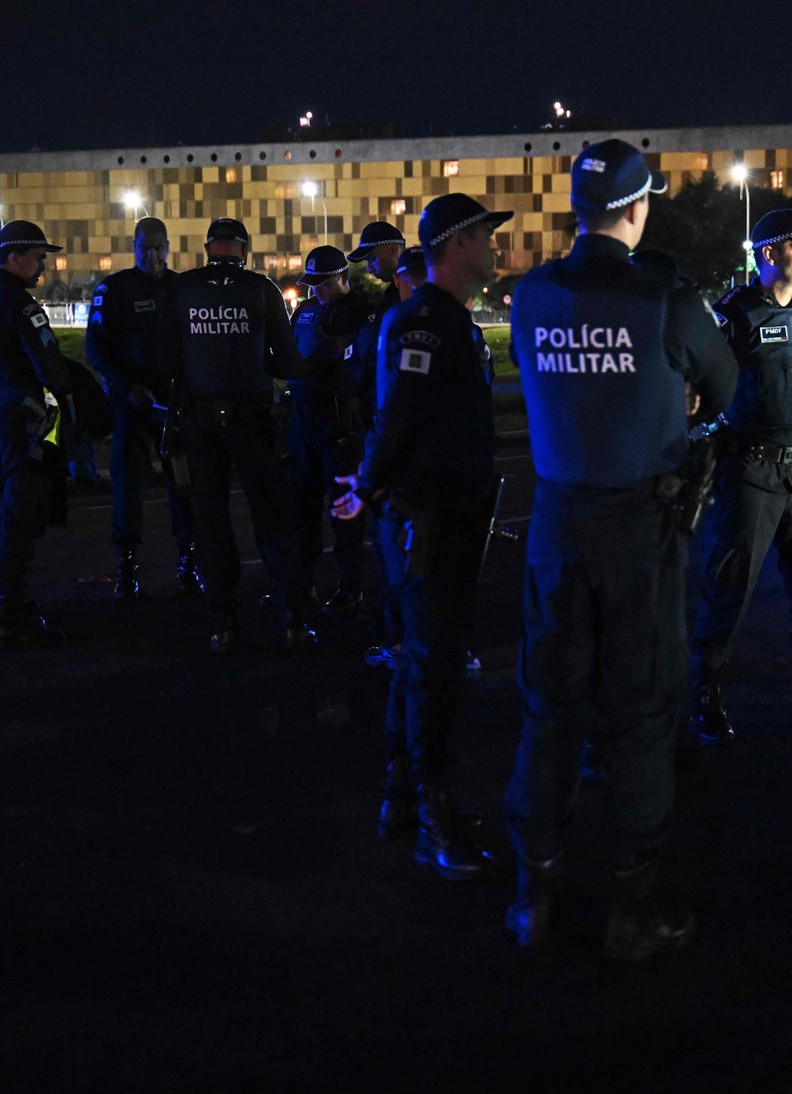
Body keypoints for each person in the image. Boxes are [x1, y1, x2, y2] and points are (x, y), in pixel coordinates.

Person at [503, 139, 736, 959]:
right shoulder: (665, 298)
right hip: (641, 530)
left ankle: (533, 894)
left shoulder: (533, 294)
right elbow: (729, 383)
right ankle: (632, 906)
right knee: (640, 714)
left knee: (549, 707)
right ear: (640, 208)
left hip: (557, 526)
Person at [332, 194, 508, 877]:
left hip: (445, 515)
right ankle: (434, 814)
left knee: (423, 664)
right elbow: (399, 413)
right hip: (428, 520)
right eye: (488, 238)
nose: (496, 250)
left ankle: (403, 800)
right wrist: (371, 487)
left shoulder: (448, 321)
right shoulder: (425, 323)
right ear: (458, 244)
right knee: (433, 668)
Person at [689, 209, 792, 742]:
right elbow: (701, 387)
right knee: (728, 589)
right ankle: (703, 693)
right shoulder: (735, 315)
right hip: (751, 470)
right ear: (770, 253)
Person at [157, 217, 314, 653]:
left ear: (209, 248)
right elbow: (287, 362)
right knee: (271, 516)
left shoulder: (183, 289)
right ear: (243, 249)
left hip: (201, 422)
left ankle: (224, 624)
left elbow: (166, 360)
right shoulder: (262, 289)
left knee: (211, 520)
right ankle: (293, 619)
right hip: (252, 419)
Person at [0, 221, 82, 647]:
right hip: (24, 422)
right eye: (37, 257)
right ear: (14, 257)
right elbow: (53, 371)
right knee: (21, 518)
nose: (42, 266)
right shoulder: (22, 305)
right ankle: (7, 615)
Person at [86, 216, 199, 599]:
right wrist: (125, 386)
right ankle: (127, 567)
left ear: (168, 247)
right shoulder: (114, 288)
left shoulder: (183, 288)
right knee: (129, 489)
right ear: (134, 247)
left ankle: (188, 562)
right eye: (144, 247)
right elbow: (95, 348)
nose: (152, 254)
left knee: (184, 488)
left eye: (158, 247)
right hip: (131, 403)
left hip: (174, 404)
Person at [288, 245, 375, 612]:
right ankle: (302, 583)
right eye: (313, 285)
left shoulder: (363, 312)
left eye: (324, 285)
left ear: (344, 278)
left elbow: (360, 366)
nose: (317, 292)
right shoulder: (306, 310)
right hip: (304, 420)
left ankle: (349, 586)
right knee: (302, 510)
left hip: (341, 424)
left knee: (343, 514)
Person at [361, 244, 427, 672]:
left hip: (406, 467)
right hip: (440, 467)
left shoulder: (400, 326)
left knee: (399, 560)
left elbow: (393, 404)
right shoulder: (458, 325)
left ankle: (405, 645)